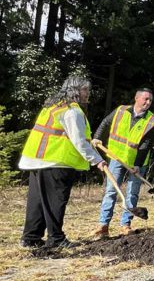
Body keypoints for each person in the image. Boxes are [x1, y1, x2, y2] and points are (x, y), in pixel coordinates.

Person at [18, 76, 107, 248]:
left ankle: (31, 238)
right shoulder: (72, 111)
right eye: (85, 90)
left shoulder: (53, 107)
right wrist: (97, 161)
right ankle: (56, 239)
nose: (88, 94)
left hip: (36, 160)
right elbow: (79, 141)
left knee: (37, 202)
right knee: (55, 201)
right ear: (75, 91)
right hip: (55, 162)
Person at [91, 88, 154, 237]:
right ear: (136, 98)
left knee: (132, 194)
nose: (148, 102)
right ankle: (103, 226)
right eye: (145, 99)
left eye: (150, 100)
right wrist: (97, 136)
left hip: (137, 163)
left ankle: (125, 225)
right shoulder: (120, 110)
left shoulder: (152, 121)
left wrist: (137, 164)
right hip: (116, 158)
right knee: (111, 190)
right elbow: (105, 122)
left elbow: (145, 145)